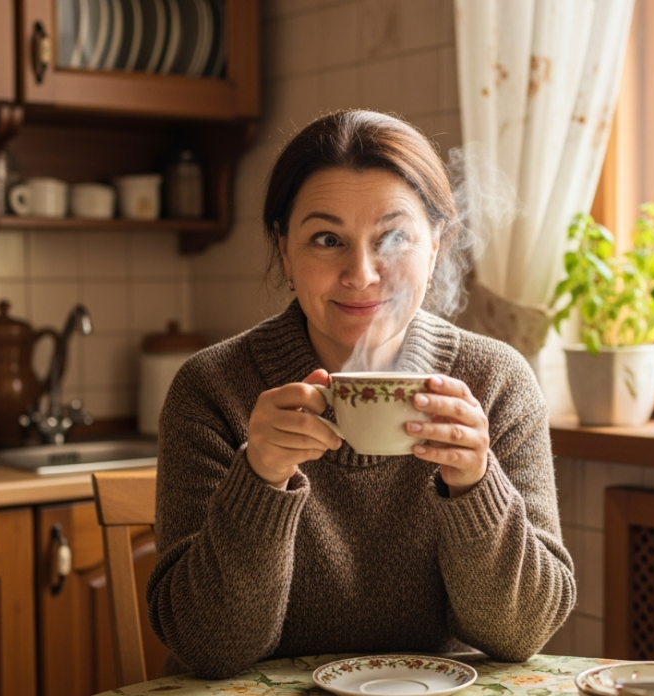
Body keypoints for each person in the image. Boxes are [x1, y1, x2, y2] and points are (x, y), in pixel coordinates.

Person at [146, 110, 576, 679]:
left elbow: (521, 635)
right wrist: (260, 477)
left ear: (436, 246)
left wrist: (475, 484)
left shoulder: (495, 382)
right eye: (327, 240)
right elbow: (207, 647)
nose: (362, 273)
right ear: (285, 250)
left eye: (393, 238)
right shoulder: (212, 388)